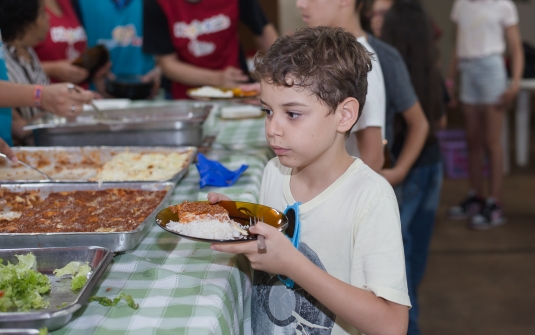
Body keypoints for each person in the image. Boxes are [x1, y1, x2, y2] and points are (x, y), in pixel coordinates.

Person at [210, 26, 410, 335]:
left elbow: (392, 325)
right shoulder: (274, 172)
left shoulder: (370, 197)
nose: (273, 129)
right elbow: (271, 256)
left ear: (344, 115)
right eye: (267, 111)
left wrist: (293, 264)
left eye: (292, 114)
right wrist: (239, 223)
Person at [374, 1, 446, 334]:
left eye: (379, 15)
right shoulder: (429, 63)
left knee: (398, 272)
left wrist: (399, 169)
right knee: (414, 263)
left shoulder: (387, 61)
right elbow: (441, 119)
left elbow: (417, 124)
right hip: (433, 165)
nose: (375, 20)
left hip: (407, 170)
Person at [446, 0, 524, 229]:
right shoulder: (461, 4)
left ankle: (495, 203)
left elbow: (516, 48)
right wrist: (450, 82)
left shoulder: (504, 6)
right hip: (467, 71)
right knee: (473, 141)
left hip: (491, 69)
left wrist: (515, 83)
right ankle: (476, 196)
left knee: (492, 141)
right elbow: (458, 46)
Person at [296, 0, 386, 172]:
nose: (300, 4)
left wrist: (341, 197)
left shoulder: (357, 63)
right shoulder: (331, 55)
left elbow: (373, 156)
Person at [143, 0, 278, 99]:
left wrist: (282, 74)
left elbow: (264, 32)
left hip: (236, 91)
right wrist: (217, 78)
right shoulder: (156, 4)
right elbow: (167, 64)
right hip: (183, 96)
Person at [72, 0, 161, 96]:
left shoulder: (155, 3)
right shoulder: (79, 4)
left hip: (145, 92)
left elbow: (169, 53)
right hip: (96, 95)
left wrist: (161, 70)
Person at [33, 0, 90, 86]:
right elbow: (15, 63)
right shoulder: (29, 5)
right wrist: (53, 70)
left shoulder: (68, 3)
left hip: (78, 92)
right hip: (45, 93)